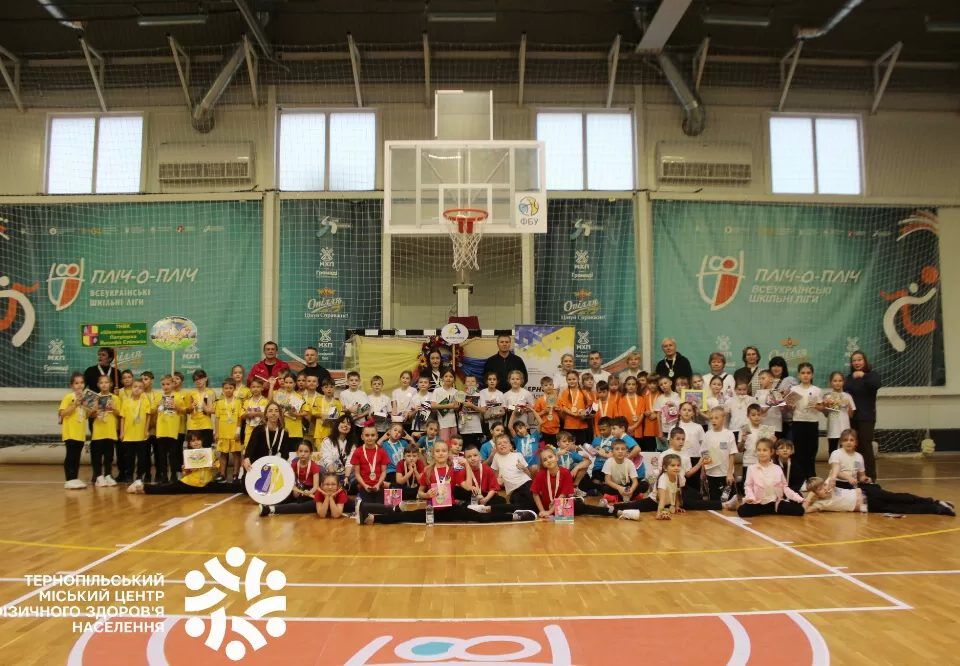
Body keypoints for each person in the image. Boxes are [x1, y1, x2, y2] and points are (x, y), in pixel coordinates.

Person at [357, 441, 537, 524]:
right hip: (433, 510)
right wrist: (426, 494)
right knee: (405, 516)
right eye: (438, 451)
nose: (441, 453)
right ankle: (373, 518)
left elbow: (468, 486)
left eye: (444, 451)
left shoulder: (454, 470)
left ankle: (515, 516)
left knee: (481, 517)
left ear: (448, 453)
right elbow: (419, 492)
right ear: (433, 454)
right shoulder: (428, 471)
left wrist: (467, 466)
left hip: (451, 508)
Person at [129, 432, 241, 495]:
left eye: (198, 440)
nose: (196, 442)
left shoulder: (209, 452)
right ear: (190, 443)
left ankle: (245, 488)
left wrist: (213, 466)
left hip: (205, 484)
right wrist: (187, 469)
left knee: (226, 487)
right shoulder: (188, 455)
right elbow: (185, 473)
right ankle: (142, 487)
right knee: (168, 489)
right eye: (193, 441)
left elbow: (217, 467)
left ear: (202, 441)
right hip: (190, 483)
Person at [803, 476, 954, 516]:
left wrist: (826, 485)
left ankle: (932, 501)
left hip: (868, 492)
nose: (824, 489)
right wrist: (810, 496)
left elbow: (832, 477)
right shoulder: (820, 504)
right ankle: (938, 509)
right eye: (820, 490)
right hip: (869, 506)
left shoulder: (830, 484)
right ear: (815, 493)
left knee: (900, 497)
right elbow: (804, 510)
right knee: (901, 508)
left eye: (823, 486)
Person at [530, 448, 614, 519]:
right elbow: (535, 493)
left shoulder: (565, 473)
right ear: (543, 464)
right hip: (546, 506)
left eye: (550, 457)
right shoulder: (541, 474)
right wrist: (542, 511)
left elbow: (563, 495)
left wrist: (549, 512)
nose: (548, 460)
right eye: (545, 460)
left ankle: (610, 511)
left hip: (562, 504)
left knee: (583, 508)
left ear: (556, 457)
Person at [737, 439, 805, 517]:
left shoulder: (777, 468)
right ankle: (764, 510)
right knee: (742, 511)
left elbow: (785, 487)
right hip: (758, 502)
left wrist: (798, 498)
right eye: (759, 450)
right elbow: (748, 486)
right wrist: (751, 497)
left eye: (765, 450)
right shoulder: (751, 468)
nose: (761, 453)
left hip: (775, 503)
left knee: (800, 510)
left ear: (771, 452)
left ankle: (771, 510)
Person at [845, 351, 881, 480]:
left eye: (859, 359)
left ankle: (870, 477)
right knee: (855, 447)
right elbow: (845, 392)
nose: (857, 362)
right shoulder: (849, 377)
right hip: (852, 418)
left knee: (866, 446)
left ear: (865, 361)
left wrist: (863, 375)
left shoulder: (872, 375)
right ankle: (857, 475)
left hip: (866, 418)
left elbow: (876, 385)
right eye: (854, 360)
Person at [788, 362, 823, 481]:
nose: (805, 375)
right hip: (798, 422)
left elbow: (821, 407)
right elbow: (790, 407)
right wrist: (790, 405)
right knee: (798, 452)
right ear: (798, 375)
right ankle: (800, 479)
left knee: (811, 452)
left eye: (808, 373)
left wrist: (817, 406)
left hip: (812, 422)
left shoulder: (817, 390)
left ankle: (811, 478)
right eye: (803, 373)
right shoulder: (794, 389)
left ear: (812, 375)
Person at [118, 378, 151, 483]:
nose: (137, 389)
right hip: (128, 435)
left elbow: (148, 416)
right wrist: (122, 432)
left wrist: (146, 430)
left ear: (143, 390)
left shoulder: (145, 401)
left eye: (140, 387)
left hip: (141, 435)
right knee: (129, 458)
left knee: (141, 458)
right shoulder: (126, 401)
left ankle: (139, 476)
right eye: (135, 387)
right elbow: (122, 418)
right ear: (131, 388)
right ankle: (129, 476)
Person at [243, 402, 294, 470]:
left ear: (279, 414)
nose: (273, 413)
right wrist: (247, 458)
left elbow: (285, 454)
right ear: (266, 414)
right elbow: (250, 449)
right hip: (257, 465)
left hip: (274, 467)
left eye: (276, 411)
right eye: (270, 411)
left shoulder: (284, 432)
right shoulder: (258, 430)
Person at [702, 406, 737, 505]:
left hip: (725, 474)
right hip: (711, 474)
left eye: (716, 418)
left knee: (729, 502)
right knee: (715, 503)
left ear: (723, 418)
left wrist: (729, 473)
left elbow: (732, 454)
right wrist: (704, 471)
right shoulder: (707, 434)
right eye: (711, 418)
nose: (713, 420)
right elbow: (704, 453)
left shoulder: (729, 434)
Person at [60, 372, 89, 489]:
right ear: (72, 385)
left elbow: (86, 415)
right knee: (71, 455)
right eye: (76, 383)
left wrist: (91, 408)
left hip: (80, 433)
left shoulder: (85, 398)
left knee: (77, 457)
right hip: (70, 433)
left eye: (82, 383)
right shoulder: (69, 397)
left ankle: (75, 478)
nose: (79, 385)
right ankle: (69, 479)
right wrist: (75, 404)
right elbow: (62, 413)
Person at [214, 378, 244, 481]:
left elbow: (240, 418)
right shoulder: (219, 403)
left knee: (236, 453)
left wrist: (238, 431)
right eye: (226, 388)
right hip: (223, 433)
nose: (228, 390)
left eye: (231, 388)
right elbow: (217, 418)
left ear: (234, 389)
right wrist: (216, 432)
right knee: (223, 454)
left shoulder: (238, 402)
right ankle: (222, 474)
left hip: (234, 433)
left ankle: (235, 474)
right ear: (223, 389)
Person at [154, 374, 182, 484]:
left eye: (168, 384)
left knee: (173, 454)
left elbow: (182, 410)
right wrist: (158, 406)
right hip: (161, 430)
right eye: (163, 384)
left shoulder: (177, 396)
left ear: (173, 385)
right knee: (162, 455)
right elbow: (153, 411)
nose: (165, 386)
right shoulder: (158, 396)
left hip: (172, 430)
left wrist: (175, 406)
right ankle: (164, 475)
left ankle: (174, 475)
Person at [350, 425, 390, 502]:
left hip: (379, 485)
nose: (370, 438)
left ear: (377, 436)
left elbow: (384, 471)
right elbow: (357, 473)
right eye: (367, 435)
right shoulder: (358, 452)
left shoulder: (382, 451)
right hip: (363, 486)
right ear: (362, 437)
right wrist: (364, 485)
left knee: (380, 507)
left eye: (372, 435)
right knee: (366, 507)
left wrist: (378, 484)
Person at [824, 372, 856, 454]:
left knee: (846, 452)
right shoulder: (827, 396)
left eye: (840, 381)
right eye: (835, 381)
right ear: (830, 382)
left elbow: (851, 415)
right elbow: (826, 414)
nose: (837, 383)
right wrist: (826, 405)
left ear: (843, 382)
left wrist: (848, 404)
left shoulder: (847, 396)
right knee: (833, 451)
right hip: (833, 430)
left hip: (845, 429)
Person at [557, 371, 592, 445]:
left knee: (581, 447)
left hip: (582, 425)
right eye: (569, 379)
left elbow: (590, 406)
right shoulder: (565, 392)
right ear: (566, 380)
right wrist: (574, 414)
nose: (571, 381)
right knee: (569, 446)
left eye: (574, 379)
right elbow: (563, 407)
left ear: (578, 379)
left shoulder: (584, 392)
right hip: (569, 425)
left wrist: (585, 413)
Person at [319, 415, 356, 484]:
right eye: (343, 422)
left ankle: (345, 484)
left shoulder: (352, 444)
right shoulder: (328, 441)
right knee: (320, 469)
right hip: (328, 472)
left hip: (344, 474)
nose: (345, 425)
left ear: (351, 428)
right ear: (337, 425)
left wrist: (346, 477)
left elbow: (349, 462)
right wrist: (334, 479)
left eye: (348, 424)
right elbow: (327, 460)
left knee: (358, 472)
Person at [185, 369, 216, 448]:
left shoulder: (211, 392)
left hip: (206, 425)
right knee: (192, 452)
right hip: (193, 426)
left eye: (200, 378)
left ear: (206, 378)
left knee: (206, 450)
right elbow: (187, 411)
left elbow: (215, 410)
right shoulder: (190, 393)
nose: (198, 381)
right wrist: (191, 407)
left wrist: (207, 409)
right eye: (196, 379)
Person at [431, 369, 461, 442]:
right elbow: (433, 406)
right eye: (446, 376)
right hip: (442, 423)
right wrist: (449, 405)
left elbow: (457, 408)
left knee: (453, 444)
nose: (448, 378)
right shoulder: (437, 391)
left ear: (454, 379)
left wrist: (457, 406)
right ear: (442, 378)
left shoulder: (456, 392)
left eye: (451, 376)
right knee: (443, 444)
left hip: (453, 423)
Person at [339, 370, 371, 438]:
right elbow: (343, 410)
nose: (354, 382)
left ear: (359, 382)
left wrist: (358, 416)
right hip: (348, 424)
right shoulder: (343, 394)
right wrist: (350, 410)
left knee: (360, 441)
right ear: (347, 381)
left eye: (356, 380)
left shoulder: (362, 394)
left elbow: (367, 409)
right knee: (350, 441)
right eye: (351, 380)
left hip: (361, 424)